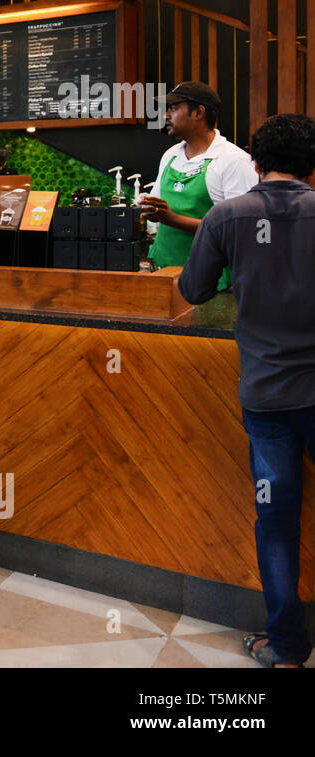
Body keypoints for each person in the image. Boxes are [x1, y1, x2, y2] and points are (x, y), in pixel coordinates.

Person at [178, 113, 315, 668]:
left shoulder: (229, 214)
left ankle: (285, 649)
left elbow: (192, 287)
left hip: (268, 395)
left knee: (277, 523)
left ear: (255, 163)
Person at [139, 81, 257, 289]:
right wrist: (147, 208)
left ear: (198, 112)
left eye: (174, 108)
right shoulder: (171, 155)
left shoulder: (233, 160)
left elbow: (238, 230)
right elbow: (157, 209)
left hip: (209, 280)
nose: (166, 115)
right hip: (164, 271)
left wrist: (173, 219)